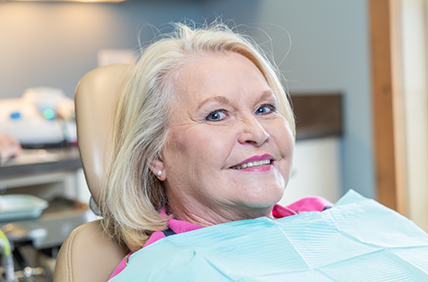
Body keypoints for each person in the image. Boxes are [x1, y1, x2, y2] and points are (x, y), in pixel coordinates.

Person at [102, 22, 332, 279]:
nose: (258, 133)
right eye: (216, 115)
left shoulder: (323, 215)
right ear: (156, 156)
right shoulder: (156, 272)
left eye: (264, 108)